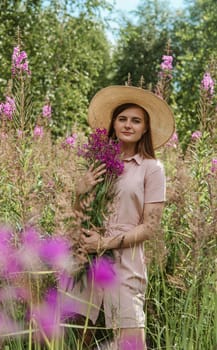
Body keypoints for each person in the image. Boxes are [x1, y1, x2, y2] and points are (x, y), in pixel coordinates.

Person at [67, 85, 175, 349]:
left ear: (145, 128)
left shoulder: (152, 168)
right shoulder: (101, 162)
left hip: (127, 262)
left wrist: (105, 243)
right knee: (76, 337)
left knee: (131, 342)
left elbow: (149, 227)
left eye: (136, 121)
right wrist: (79, 192)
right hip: (87, 260)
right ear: (113, 124)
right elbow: (79, 215)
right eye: (122, 118)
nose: (128, 125)